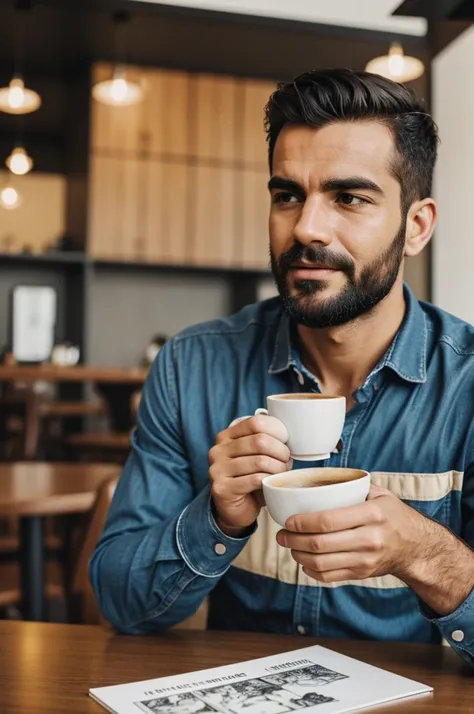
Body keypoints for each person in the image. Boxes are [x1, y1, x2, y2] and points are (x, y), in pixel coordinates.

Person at [90, 68, 474, 667]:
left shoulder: (468, 385)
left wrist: (423, 553)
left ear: (416, 226)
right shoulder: (193, 365)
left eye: (349, 198)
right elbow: (121, 602)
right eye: (287, 194)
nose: (305, 228)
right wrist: (216, 519)